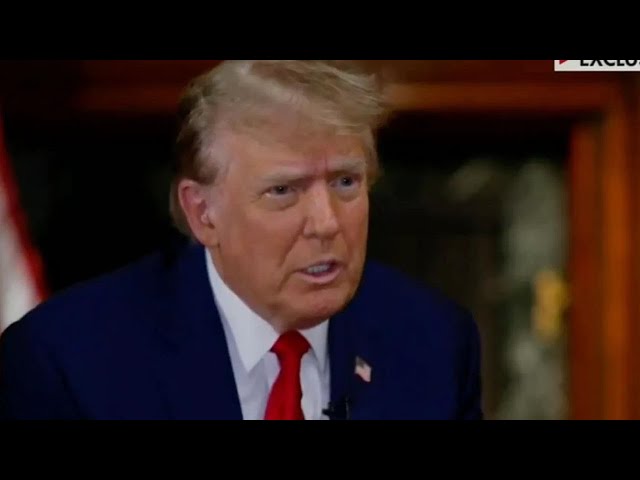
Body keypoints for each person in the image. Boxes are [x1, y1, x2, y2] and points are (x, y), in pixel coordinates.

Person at [0, 60, 483, 420]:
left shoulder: (433, 342)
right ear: (202, 212)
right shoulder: (68, 363)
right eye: (284, 190)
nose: (326, 223)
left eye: (345, 182)